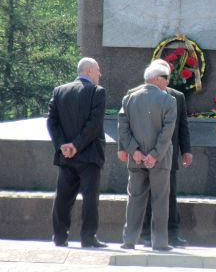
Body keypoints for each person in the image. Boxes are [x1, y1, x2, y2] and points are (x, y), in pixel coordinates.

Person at [120, 59, 193, 248]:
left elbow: (123, 128)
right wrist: (154, 155)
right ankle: (160, 242)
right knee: (160, 200)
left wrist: (134, 151)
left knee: (134, 200)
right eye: (166, 78)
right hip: (160, 160)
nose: (168, 82)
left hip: (135, 160)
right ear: (156, 79)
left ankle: (129, 241)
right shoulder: (168, 100)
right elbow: (167, 133)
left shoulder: (129, 98)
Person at [47, 57, 107, 248]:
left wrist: (63, 145)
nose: (100, 74)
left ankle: (59, 237)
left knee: (63, 197)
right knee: (90, 198)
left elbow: (52, 122)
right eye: (98, 70)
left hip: (66, 156)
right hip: (89, 155)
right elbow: (94, 124)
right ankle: (88, 238)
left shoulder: (59, 91)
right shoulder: (97, 92)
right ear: (89, 71)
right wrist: (76, 145)